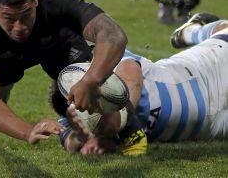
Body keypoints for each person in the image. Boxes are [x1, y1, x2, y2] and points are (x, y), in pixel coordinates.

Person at [0, 0, 128, 149]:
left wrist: (91, 79)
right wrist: (28, 131)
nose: (19, 27)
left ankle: (118, 131)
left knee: (105, 120)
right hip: (5, 52)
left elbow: (113, 34)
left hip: (57, 44)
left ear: (35, 0)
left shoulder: (53, 0)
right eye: (9, 18)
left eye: (26, 15)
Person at [56, 13, 228, 155]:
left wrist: (112, 127)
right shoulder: (75, 116)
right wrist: (84, 138)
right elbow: (69, 138)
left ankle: (190, 32)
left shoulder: (109, 64)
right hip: (213, 127)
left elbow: (132, 81)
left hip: (209, 72)